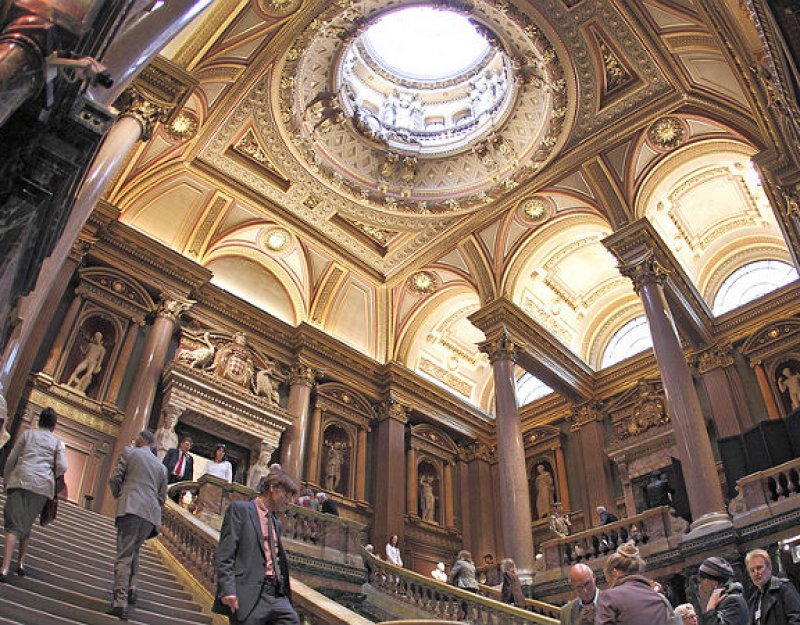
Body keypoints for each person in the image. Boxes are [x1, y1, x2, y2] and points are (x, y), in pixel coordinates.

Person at [213, 467, 300, 625]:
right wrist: (228, 589)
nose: (288, 501)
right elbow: (225, 554)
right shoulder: (240, 510)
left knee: (292, 620)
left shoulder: (276, 523)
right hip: (249, 594)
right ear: (272, 488)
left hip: (276, 595)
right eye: (286, 495)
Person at [107, 429, 168, 619]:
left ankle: (119, 601)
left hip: (131, 507)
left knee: (124, 554)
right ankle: (132, 586)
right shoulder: (161, 467)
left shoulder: (130, 452)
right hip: (150, 516)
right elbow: (161, 497)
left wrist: (121, 494)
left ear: (142, 440)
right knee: (134, 550)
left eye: (136, 439)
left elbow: (114, 478)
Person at [1, 407, 67, 581]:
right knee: (27, 522)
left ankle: (5, 567)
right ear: (54, 426)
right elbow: (63, 466)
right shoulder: (56, 443)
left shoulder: (28, 435)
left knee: (13, 525)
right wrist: (50, 472)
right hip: (42, 486)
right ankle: (21, 563)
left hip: (21, 479)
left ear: (39, 421)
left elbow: (12, 458)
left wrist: (6, 479)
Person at [596, 543, 674, 625]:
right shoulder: (658, 597)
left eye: (608, 580)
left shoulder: (609, 597)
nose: (611, 585)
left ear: (615, 573)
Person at [745, 548, 800, 625]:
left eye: (759, 568)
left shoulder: (783, 588)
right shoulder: (753, 600)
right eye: (752, 570)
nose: (756, 573)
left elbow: (797, 618)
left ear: (769, 567)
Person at [696, 556, 748, 625]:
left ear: (714, 582)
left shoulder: (733, 601)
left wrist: (710, 610)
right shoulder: (722, 601)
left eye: (702, 580)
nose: (701, 585)